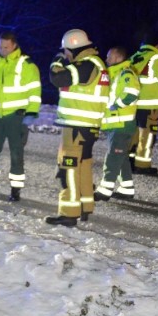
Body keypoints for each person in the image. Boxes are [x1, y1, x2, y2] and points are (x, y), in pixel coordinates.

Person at [45, 29, 109, 227]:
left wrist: (56, 61)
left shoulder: (86, 65)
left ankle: (69, 213)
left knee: (69, 170)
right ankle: (84, 207)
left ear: (73, 47)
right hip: (85, 127)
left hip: (77, 127)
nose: (65, 55)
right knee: (82, 168)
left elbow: (57, 78)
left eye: (66, 51)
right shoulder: (93, 64)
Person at [0, 31, 42, 202]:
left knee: (16, 154)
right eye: (0, 47)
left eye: (6, 47)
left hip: (16, 117)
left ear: (14, 45)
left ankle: (15, 189)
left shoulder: (26, 65)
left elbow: (34, 91)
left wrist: (31, 113)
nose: (2, 50)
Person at [96, 46, 140, 200]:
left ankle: (105, 189)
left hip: (122, 123)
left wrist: (117, 105)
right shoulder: (114, 74)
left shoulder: (126, 73)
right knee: (120, 157)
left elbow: (132, 93)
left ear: (117, 57)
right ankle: (127, 189)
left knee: (113, 157)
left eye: (109, 56)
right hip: (115, 123)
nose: (106, 59)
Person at [128, 35, 158, 174]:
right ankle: (142, 166)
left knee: (134, 135)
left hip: (134, 104)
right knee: (147, 136)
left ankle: (129, 163)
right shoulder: (156, 58)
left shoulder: (134, 57)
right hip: (150, 105)